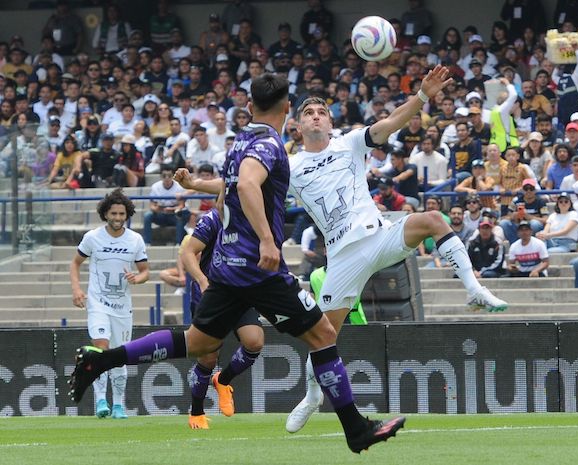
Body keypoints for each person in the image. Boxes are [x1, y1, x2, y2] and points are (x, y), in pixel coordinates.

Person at [69, 74, 406, 454]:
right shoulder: (269, 144)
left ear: (249, 108)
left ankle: (100, 361)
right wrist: (265, 238)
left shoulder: (241, 141)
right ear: (285, 112)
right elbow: (246, 185)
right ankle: (355, 430)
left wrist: (197, 186)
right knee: (324, 335)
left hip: (227, 265)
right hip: (257, 267)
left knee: (197, 342)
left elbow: (233, 187)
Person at [284, 65, 507, 433]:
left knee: (434, 219)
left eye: (321, 111)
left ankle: (474, 289)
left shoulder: (350, 142)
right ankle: (311, 396)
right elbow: (246, 181)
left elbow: (391, 123)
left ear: (329, 120)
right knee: (322, 338)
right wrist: (196, 182)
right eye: (308, 112)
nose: (316, 116)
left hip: (379, 236)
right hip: (342, 258)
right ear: (298, 125)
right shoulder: (290, 167)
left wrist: (422, 96)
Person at [180, 209, 264, 430]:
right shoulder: (213, 219)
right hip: (210, 295)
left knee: (254, 341)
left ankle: (223, 380)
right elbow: (188, 253)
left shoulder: (259, 216)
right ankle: (196, 412)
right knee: (208, 358)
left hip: (240, 293)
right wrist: (202, 281)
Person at [69, 189, 149, 419]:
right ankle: (102, 401)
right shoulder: (93, 237)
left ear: (127, 215)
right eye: (113, 213)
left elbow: (145, 272)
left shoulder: (135, 240)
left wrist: (137, 278)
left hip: (123, 308)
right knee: (100, 350)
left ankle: (119, 405)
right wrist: (76, 289)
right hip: (98, 304)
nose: (117, 217)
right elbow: (75, 264)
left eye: (121, 213)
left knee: (119, 356)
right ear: (105, 214)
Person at [142, 165, 189, 245]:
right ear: (160, 177)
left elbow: (182, 205)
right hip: (161, 213)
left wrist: (172, 209)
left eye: (169, 176)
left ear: (173, 176)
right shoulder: (155, 187)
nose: (167, 178)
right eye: (164, 176)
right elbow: (152, 206)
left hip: (174, 213)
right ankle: (147, 242)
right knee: (147, 216)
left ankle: (179, 243)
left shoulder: (179, 186)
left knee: (180, 216)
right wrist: (158, 209)